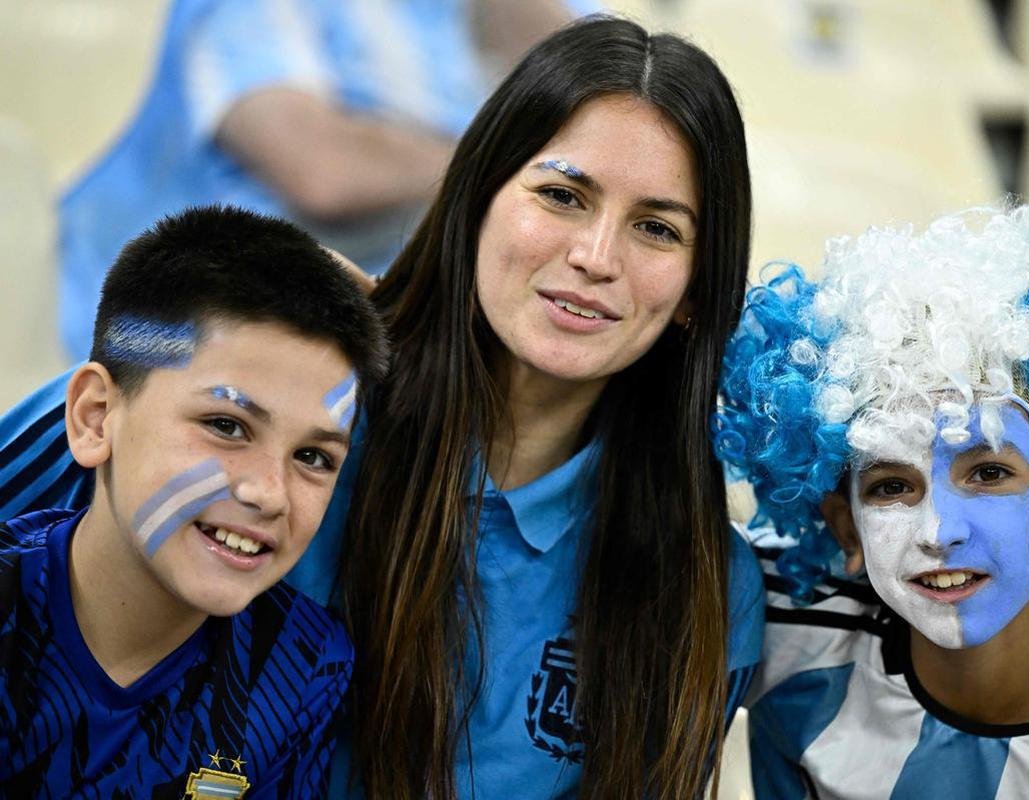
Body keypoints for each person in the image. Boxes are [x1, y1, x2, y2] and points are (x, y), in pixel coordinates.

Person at [1, 17, 764, 799]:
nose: (595, 258)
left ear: (695, 290)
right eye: (562, 195)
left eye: (656, 228)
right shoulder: (268, 394)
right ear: (476, 197)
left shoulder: (703, 584)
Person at [714, 204, 1029, 798]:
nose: (939, 531)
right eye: (891, 486)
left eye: (989, 473)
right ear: (847, 528)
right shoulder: (774, 615)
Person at [0, 206, 388, 796]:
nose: (268, 493)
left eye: (313, 457)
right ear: (95, 417)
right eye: (226, 425)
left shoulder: (304, 667)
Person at [57, 0, 591, 361]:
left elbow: (601, 118)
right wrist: (516, 163)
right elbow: (323, 172)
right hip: (194, 335)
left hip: (416, 330)